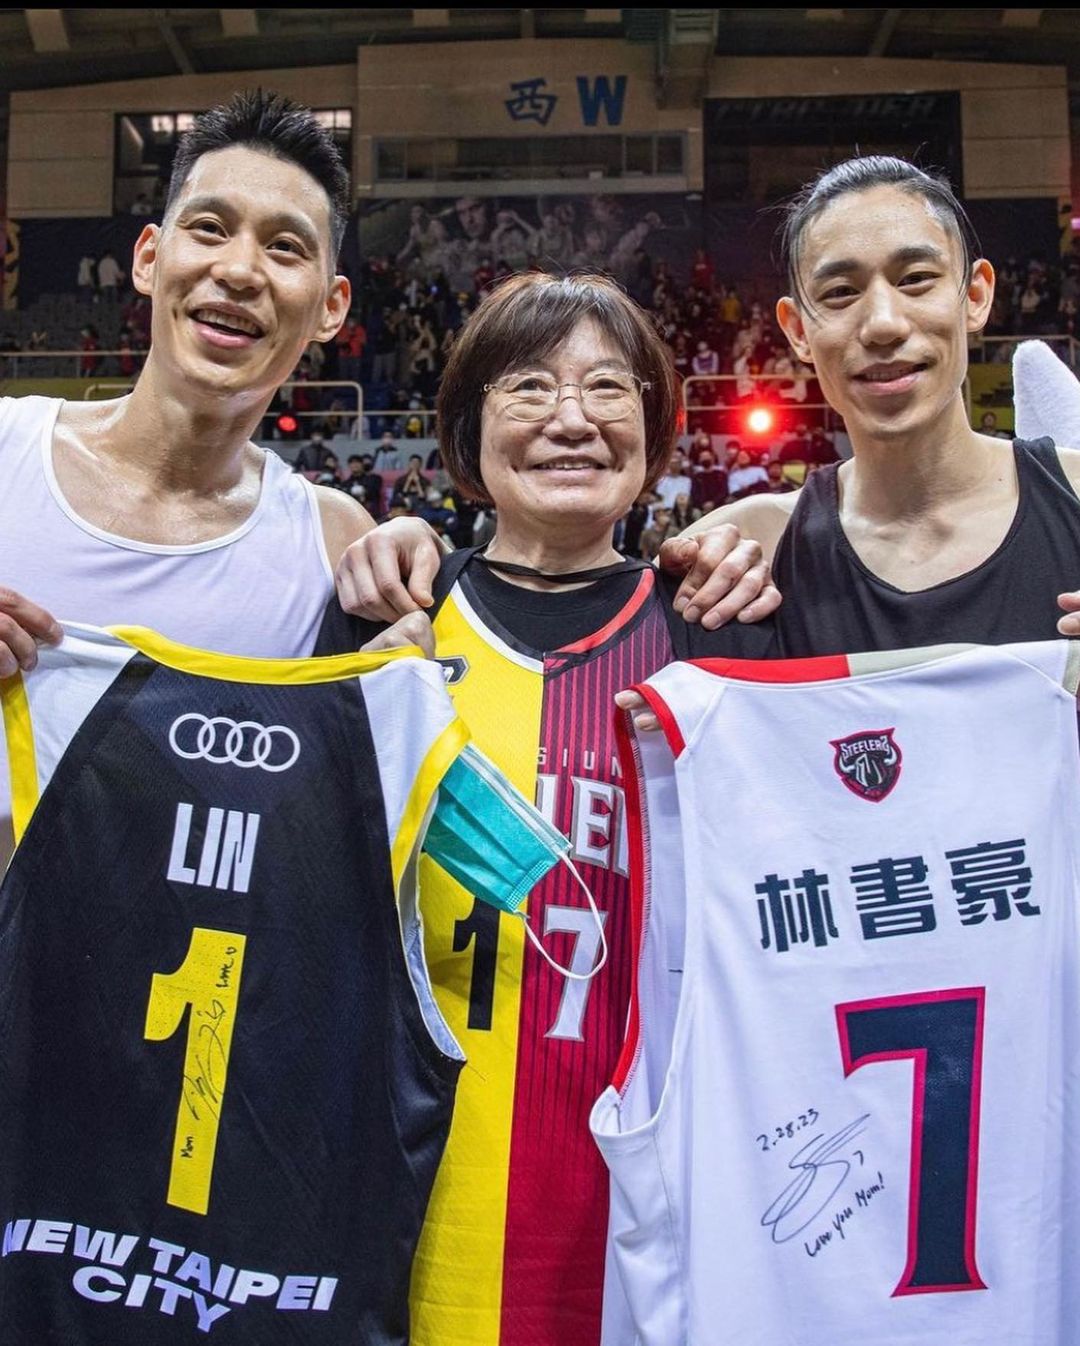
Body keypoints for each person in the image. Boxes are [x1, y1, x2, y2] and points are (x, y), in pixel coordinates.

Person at [319, 271, 777, 1346]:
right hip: (408, 1195)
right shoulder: (383, 626)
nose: (572, 417)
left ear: (657, 432)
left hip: (654, 1205)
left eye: (608, 387)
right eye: (529, 387)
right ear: (467, 434)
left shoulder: (718, 630)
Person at [0, 91, 438, 866]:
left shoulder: (335, 543)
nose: (238, 270)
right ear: (148, 257)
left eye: (285, 248)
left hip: (174, 977)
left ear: (332, 308)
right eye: (209, 228)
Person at [681, 154, 1080, 654]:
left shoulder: (1075, 497)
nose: (883, 324)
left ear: (975, 295)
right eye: (841, 292)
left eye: (915, 278)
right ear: (798, 331)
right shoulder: (749, 545)